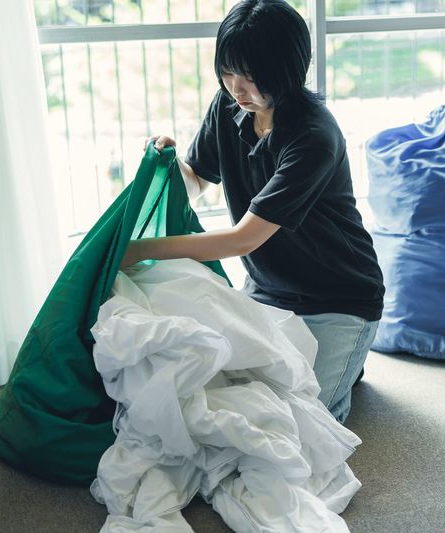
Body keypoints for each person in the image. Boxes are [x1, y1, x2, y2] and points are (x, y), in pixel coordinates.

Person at [121, 0, 384, 423]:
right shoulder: (228, 106)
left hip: (338, 297)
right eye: (227, 72)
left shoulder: (314, 136)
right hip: (267, 291)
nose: (236, 88)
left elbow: (243, 238)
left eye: (250, 76)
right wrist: (169, 166)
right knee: (219, 391)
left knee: (303, 421)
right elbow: (197, 180)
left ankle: (349, 351)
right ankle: (339, 362)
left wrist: (139, 251)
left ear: (286, 71)